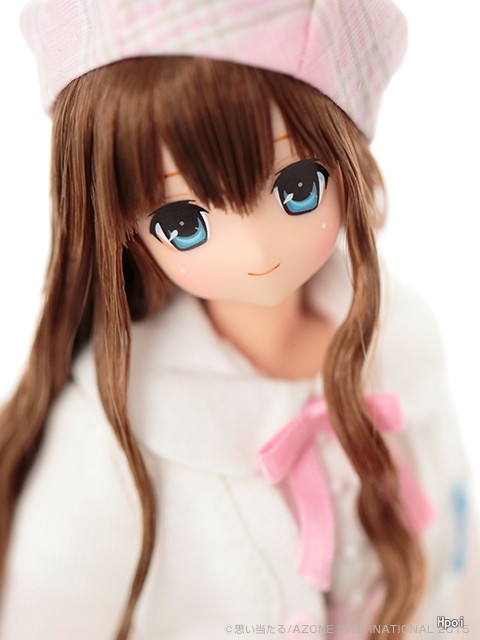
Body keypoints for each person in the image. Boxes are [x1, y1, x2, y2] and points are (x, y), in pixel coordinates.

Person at [0, 1, 478, 639]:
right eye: (183, 223)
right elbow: (50, 617)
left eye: (297, 187)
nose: (257, 251)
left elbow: (457, 553)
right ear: (123, 231)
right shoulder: (119, 424)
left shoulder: (401, 340)